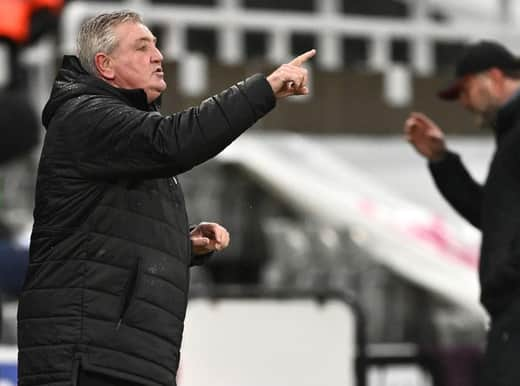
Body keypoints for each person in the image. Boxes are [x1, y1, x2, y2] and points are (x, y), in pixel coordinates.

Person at [17, 10, 315, 386]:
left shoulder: (118, 129)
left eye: (156, 46)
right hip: (88, 357)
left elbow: (104, 238)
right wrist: (262, 90)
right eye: (142, 47)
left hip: (119, 357)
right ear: (105, 65)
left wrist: (180, 244)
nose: (158, 56)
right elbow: (173, 142)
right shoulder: (86, 116)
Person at [403, 40, 520, 386]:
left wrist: (504, 281)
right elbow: (496, 216)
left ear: (494, 77)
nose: (463, 101)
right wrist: (443, 163)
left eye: (466, 89)